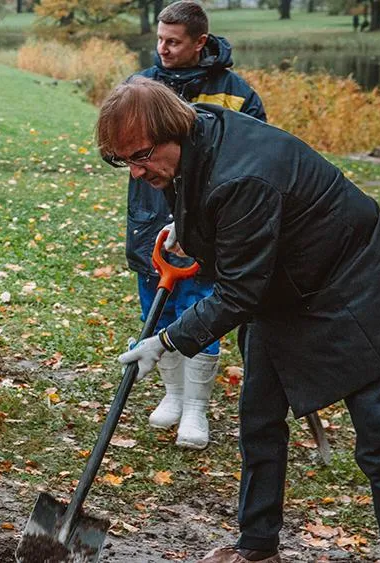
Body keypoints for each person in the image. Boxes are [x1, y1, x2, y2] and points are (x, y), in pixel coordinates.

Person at [103, 77, 380, 563]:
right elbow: (209, 201)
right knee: (259, 420)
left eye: (140, 156)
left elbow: (239, 290)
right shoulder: (198, 134)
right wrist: (192, 224)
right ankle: (257, 547)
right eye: (124, 162)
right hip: (285, 290)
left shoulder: (242, 174)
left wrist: (166, 342)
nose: (136, 172)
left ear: (170, 131)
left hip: (355, 290)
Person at [126, 0, 266, 450]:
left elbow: (254, 158)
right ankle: (173, 396)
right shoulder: (141, 85)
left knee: (201, 311)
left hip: (210, 223)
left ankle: (196, 410)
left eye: (174, 42)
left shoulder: (234, 92)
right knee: (158, 310)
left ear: (200, 42)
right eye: (160, 40)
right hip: (151, 219)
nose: (162, 49)